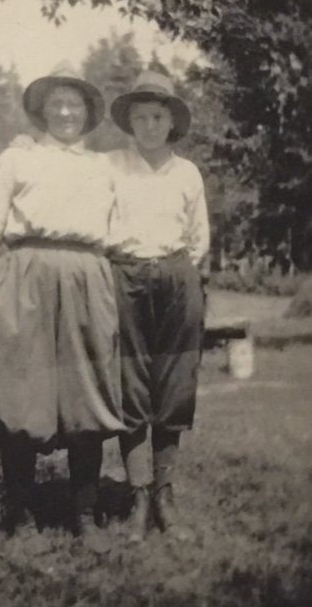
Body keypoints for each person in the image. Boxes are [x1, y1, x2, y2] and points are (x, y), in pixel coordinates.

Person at [0, 64, 124, 536]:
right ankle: (16, 511)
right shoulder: (16, 159)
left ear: (87, 112)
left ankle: (83, 511)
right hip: (25, 278)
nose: (64, 111)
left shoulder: (105, 166)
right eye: (56, 102)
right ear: (42, 110)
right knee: (20, 394)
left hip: (87, 276)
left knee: (86, 397)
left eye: (74, 103)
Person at [107, 70, 210, 541]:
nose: (149, 124)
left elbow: (199, 238)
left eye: (158, 116)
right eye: (141, 116)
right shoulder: (109, 166)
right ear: (129, 121)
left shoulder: (186, 173)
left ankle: (165, 497)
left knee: (174, 385)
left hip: (176, 274)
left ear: (171, 122)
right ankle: (138, 496)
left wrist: (179, 272)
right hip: (124, 274)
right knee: (130, 385)